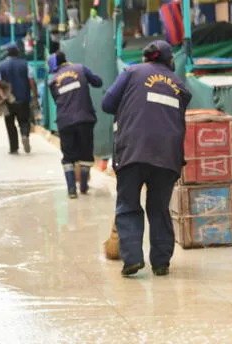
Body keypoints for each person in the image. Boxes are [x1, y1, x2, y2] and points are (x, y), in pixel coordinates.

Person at [101, 40, 192, 277]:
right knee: (159, 208)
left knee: (128, 205)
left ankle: (132, 259)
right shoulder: (180, 85)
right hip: (167, 156)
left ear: (146, 58)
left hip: (132, 151)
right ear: (169, 61)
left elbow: (107, 104)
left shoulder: (131, 72)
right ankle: (161, 263)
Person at [47, 51, 103, 198]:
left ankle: (71, 190)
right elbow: (98, 82)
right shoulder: (80, 69)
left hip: (65, 121)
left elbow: (57, 100)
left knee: (68, 156)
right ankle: (83, 187)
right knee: (86, 153)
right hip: (85, 118)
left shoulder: (52, 81)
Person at [0, 43, 39, 154]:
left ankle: (14, 148)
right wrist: (35, 95)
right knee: (24, 121)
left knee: (10, 123)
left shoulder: (0, 66)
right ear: (18, 53)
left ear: (7, 53)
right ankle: (24, 135)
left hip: (7, 100)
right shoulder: (25, 64)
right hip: (23, 98)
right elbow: (31, 81)